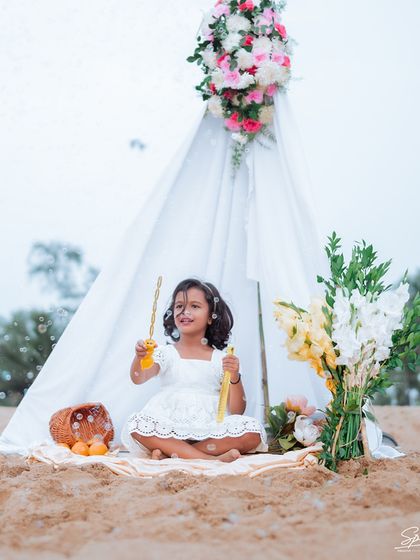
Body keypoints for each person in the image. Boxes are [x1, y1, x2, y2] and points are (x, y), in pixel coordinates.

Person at [123, 278, 268, 462]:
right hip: (170, 424)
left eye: (194, 306)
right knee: (137, 425)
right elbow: (139, 377)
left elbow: (237, 410)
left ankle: (173, 453)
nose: (185, 312)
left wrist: (234, 376)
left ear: (210, 317)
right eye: (179, 306)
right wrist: (140, 358)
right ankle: (209, 459)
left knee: (252, 431)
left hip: (209, 428)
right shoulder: (165, 353)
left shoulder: (221, 359)